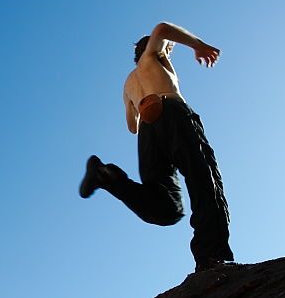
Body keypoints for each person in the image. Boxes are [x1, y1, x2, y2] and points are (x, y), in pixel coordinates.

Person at [79, 21, 234, 272]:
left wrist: (144, 104)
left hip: (148, 132)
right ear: (154, 48)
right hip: (172, 111)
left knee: (166, 208)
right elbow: (162, 28)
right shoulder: (154, 55)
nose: (169, 53)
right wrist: (199, 45)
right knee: (203, 179)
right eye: (169, 50)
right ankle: (210, 256)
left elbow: (132, 126)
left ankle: (107, 177)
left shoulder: (128, 84)